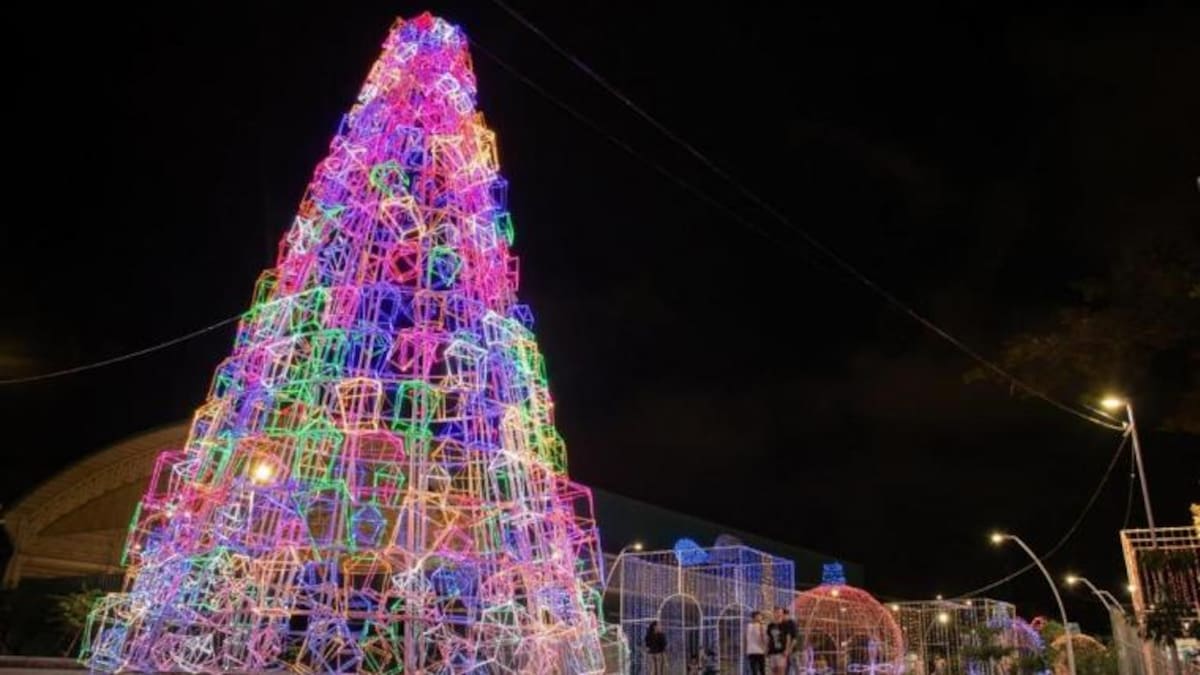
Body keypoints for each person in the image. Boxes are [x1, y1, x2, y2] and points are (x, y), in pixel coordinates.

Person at [746, 611, 767, 675]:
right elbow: (747, 637)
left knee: (762, 669)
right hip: (752, 650)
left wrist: (765, 647)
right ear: (754, 617)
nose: (759, 617)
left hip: (761, 650)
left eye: (760, 616)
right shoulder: (749, 625)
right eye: (758, 616)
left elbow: (764, 638)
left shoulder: (762, 626)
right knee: (754, 670)